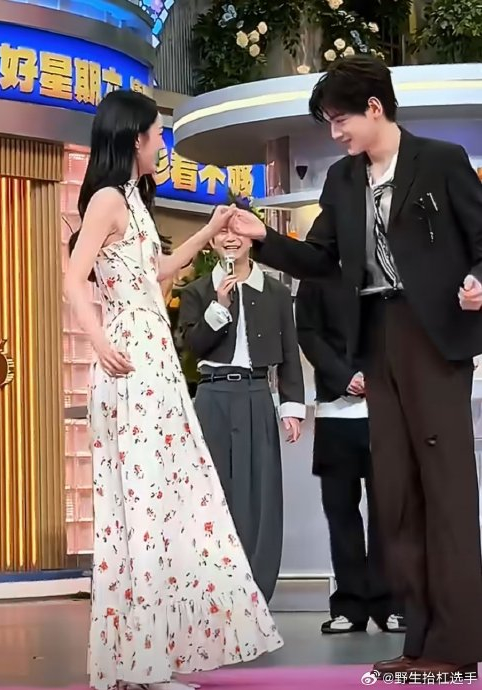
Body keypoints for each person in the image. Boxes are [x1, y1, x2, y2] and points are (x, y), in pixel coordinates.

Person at [231, 55, 482, 682]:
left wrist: (478, 280)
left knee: (446, 491)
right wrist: (263, 238)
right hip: (376, 339)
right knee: (396, 496)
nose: (335, 131)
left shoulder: (442, 161)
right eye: (328, 121)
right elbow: (321, 260)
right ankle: (419, 640)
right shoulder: (343, 180)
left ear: (374, 108)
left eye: (340, 118)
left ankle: (458, 641)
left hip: (434, 339)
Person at [64, 90, 282, 690]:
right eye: (156, 133)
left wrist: (208, 229)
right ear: (134, 138)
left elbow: (157, 270)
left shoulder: (132, 199)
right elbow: (74, 277)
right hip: (130, 362)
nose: (161, 142)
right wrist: (97, 340)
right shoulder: (108, 199)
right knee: (143, 508)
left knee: (159, 506)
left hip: (152, 360)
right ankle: (143, 663)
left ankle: (140, 660)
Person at [178, 206, 305, 602]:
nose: (230, 238)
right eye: (222, 232)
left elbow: (289, 352)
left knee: (261, 495)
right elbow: (192, 347)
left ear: (252, 238)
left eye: (238, 231)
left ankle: (256, 592)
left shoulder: (276, 292)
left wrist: (292, 407)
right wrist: (218, 306)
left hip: (256, 395)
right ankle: (214, 588)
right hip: (212, 396)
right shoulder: (197, 291)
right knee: (213, 493)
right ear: (212, 240)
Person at [296, 275, 404, 634]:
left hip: (388, 411)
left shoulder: (387, 265)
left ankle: (392, 603)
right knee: (340, 511)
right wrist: (345, 377)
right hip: (334, 412)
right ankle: (350, 605)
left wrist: (378, 375)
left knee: (388, 513)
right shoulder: (317, 272)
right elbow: (308, 332)